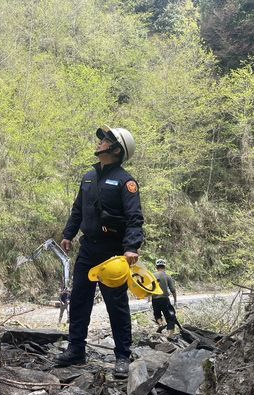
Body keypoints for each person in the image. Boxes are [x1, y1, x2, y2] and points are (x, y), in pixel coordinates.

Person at [56, 125, 144, 378]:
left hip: (113, 252)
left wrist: (131, 248)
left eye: (106, 140)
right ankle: (76, 349)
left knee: (116, 304)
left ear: (116, 149)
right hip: (88, 248)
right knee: (80, 299)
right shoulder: (88, 176)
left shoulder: (126, 182)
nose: (100, 142)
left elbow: (134, 218)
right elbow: (78, 209)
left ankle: (122, 356)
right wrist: (68, 234)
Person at [152, 259, 179, 337]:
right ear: (164, 267)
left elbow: (149, 288)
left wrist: (149, 299)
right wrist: (175, 301)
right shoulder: (167, 276)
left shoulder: (152, 276)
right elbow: (173, 290)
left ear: (156, 267)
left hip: (155, 299)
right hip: (165, 299)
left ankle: (160, 324)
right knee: (170, 317)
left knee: (157, 315)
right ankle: (170, 334)